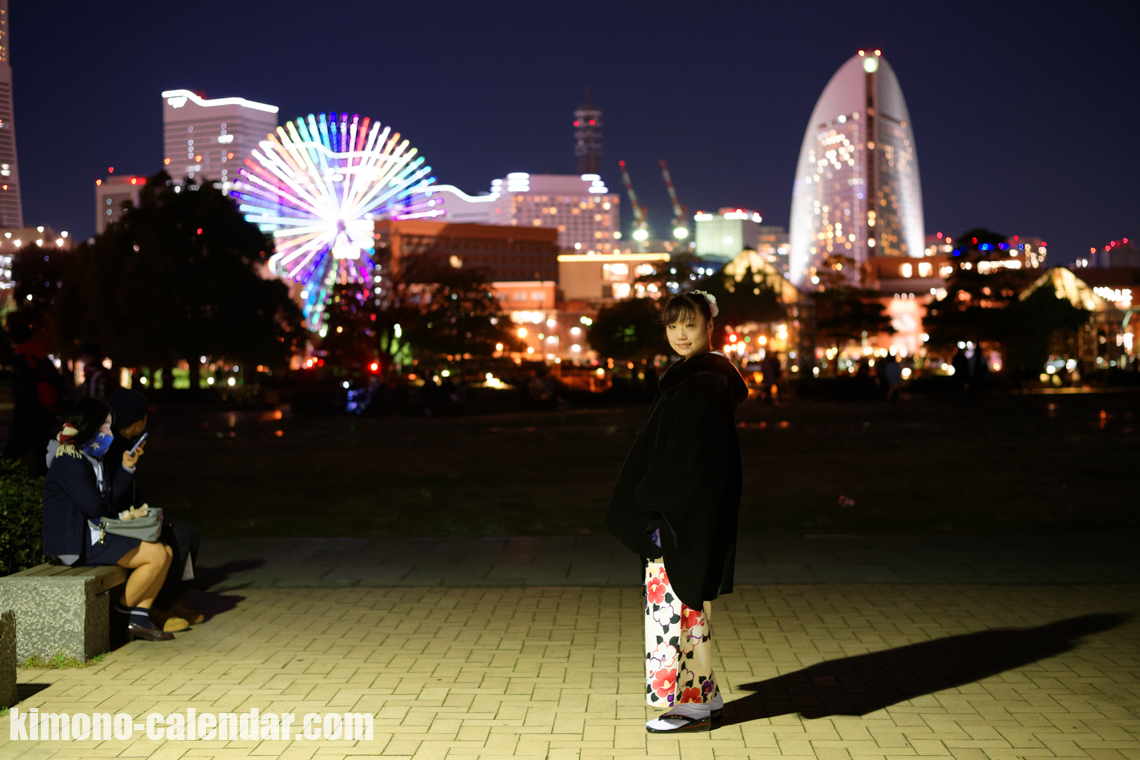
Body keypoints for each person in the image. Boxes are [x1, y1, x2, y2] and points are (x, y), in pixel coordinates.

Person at [604, 290, 748, 734]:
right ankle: (702, 691)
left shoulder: (703, 382)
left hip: (680, 513)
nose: (681, 334)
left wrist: (652, 501)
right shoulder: (694, 377)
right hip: (683, 512)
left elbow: (689, 457)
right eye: (673, 325)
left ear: (710, 327)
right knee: (685, 604)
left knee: (676, 607)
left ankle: (688, 704)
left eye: (690, 324)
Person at [42, 398, 175, 642]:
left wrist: (126, 468)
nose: (109, 433)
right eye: (105, 426)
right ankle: (119, 618)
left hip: (96, 533)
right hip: (79, 542)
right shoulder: (69, 460)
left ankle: (138, 618)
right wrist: (123, 520)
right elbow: (94, 506)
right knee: (156, 555)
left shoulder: (91, 459)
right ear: (89, 427)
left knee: (165, 552)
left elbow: (108, 499)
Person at [106, 388, 203, 630]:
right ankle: (159, 608)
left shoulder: (125, 444)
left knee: (188, 534)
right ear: (138, 420)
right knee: (176, 538)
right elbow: (113, 496)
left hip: (134, 514)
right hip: (117, 522)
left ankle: (173, 602)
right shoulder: (109, 448)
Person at [3, 314, 71, 473]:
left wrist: (18, 418)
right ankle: (47, 486)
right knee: (43, 455)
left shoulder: (21, 357)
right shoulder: (39, 353)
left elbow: (22, 392)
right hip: (46, 412)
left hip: (29, 415)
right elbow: (57, 381)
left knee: (10, 454)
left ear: (13, 338)